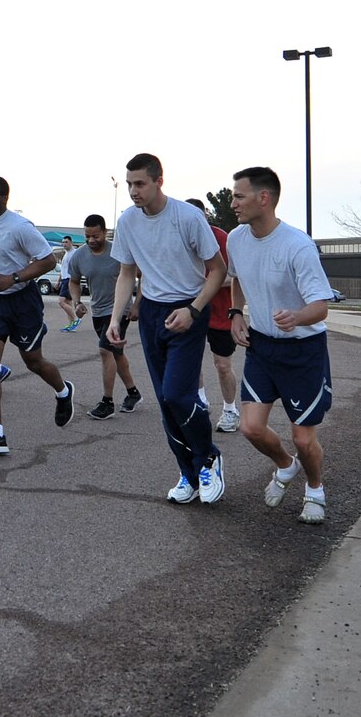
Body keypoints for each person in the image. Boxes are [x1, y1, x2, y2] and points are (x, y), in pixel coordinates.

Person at [106, 153, 228, 503]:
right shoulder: (128, 221)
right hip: (152, 314)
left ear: (159, 181)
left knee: (178, 394)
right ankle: (188, 473)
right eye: (129, 184)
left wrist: (193, 309)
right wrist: (117, 318)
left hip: (189, 310)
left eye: (140, 183)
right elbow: (127, 273)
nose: (133, 191)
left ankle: (208, 458)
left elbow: (217, 270)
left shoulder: (187, 217)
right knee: (164, 399)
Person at [224, 167, 337, 524]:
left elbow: (321, 306)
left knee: (304, 440)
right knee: (250, 428)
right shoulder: (236, 239)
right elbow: (237, 279)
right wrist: (235, 314)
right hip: (261, 347)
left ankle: (315, 489)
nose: (233, 203)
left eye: (238, 196)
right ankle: (285, 466)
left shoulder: (297, 245)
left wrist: (297, 317)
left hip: (302, 351)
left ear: (264, 198)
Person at [0, 176, 74, 455]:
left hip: (23, 302)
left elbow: (48, 260)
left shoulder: (20, 227)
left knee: (34, 362)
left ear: (4, 198)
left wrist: (14, 277)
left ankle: (63, 392)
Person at [71, 214, 142, 419]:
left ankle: (107, 402)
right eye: (87, 236)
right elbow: (74, 281)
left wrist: (137, 304)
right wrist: (77, 303)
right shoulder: (79, 256)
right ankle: (133, 393)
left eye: (96, 236)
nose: (91, 240)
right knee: (116, 354)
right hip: (98, 311)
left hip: (121, 311)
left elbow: (141, 276)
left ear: (105, 232)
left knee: (105, 351)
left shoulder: (119, 252)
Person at [188, 197, 242, 435]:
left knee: (222, 364)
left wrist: (207, 285)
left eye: (198, 217)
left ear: (205, 216)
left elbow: (234, 277)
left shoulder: (223, 239)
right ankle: (200, 402)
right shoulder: (180, 237)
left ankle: (230, 410)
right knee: (191, 361)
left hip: (221, 312)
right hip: (191, 311)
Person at [56, 235, 85, 329]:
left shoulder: (74, 253)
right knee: (68, 303)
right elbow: (62, 269)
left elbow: (79, 265)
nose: (64, 244)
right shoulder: (66, 254)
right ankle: (71, 325)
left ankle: (76, 319)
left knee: (61, 301)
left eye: (66, 242)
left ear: (71, 242)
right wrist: (58, 281)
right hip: (64, 279)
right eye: (63, 242)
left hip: (70, 279)